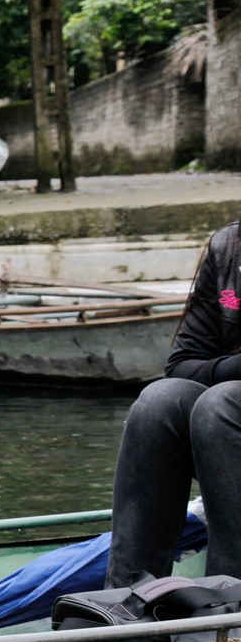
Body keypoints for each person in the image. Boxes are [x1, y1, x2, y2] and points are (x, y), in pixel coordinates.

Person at [107, 222, 241, 588]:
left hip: (227, 415)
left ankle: (227, 598)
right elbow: (183, 365)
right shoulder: (229, 247)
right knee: (159, 402)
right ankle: (128, 597)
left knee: (221, 404)